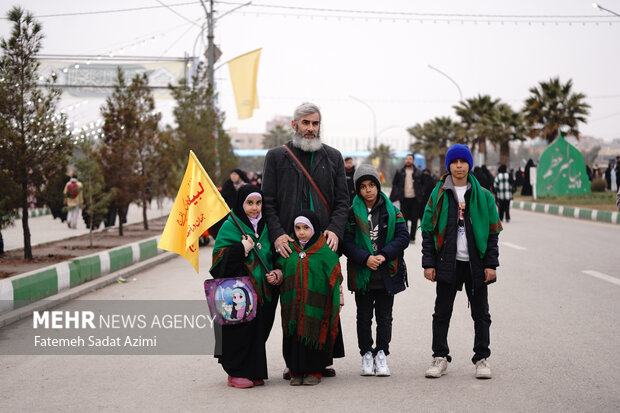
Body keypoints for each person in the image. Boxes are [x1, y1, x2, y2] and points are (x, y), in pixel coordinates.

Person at [262, 101, 349, 378]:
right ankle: (295, 362)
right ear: (294, 125)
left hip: (322, 246)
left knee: (323, 300)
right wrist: (277, 235)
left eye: (315, 124)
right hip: (289, 244)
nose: (310, 129)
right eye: (305, 123)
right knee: (293, 303)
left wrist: (335, 229)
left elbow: (343, 201)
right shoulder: (276, 157)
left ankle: (321, 360)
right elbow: (269, 202)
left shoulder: (333, 157)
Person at [421, 144, 502, 380]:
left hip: (475, 263)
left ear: (469, 164)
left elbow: (492, 233)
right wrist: (429, 263)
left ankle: (481, 358)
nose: (459, 166)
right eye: (454, 162)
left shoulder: (484, 195)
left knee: (481, 314)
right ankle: (440, 357)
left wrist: (491, 264)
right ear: (448, 165)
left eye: (463, 162)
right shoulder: (438, 194)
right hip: (448, 262)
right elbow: (427, 231)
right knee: (441, 313)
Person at [209, 184, 281, 389]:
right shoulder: (231, 226)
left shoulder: (268, 226)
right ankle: (236, 373)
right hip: (239, 293)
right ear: (241, 204)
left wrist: (278, 272)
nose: (255, 208)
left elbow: (276, 255)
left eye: (258, 203)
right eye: (249, 203)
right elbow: (217, 263)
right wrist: (241, 248)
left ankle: (253, 372)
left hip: (264, 291)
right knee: (240, 332)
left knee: (259, 332)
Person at [341, 164, 408, 377]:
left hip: (386, 273)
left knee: (385, 317)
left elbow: (403, 237)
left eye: (372, 185)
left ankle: (381, 354)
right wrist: (365, 258)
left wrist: (384, 255)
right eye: (363, 186)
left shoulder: (392, 211)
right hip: (363, 274)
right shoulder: (351, 214)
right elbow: (346, 243)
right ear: (358, 190)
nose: (368, 190)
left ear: (378, 186)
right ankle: (366, 355)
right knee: (363, 317)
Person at [276, 209, 342, 386]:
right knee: (293, 335)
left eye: (306, 227)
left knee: (314, 333)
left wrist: (338, 295)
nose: (301, 232)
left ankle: (314, 370)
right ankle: (295, 371)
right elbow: (280, 268)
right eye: (297, 228)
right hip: (293, 308)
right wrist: (277, 275)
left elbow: (334, 272)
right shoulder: (289, 249)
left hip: (317, 308)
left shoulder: (324, 250)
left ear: (314, 228)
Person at [390, 153, 423, 243]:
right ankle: (405, 236)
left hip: (415, 199)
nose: (408, 160)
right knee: (403, 219)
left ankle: (412, 237)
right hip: (403, 199)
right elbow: (395, 184)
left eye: (410, 159)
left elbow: (423, 185)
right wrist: (394, 195)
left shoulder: (419, 172)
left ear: (413, 161)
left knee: (414, 219)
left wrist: (421, 195)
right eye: (407, 159)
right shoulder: (400, 171)